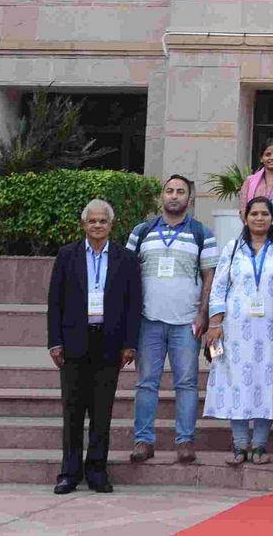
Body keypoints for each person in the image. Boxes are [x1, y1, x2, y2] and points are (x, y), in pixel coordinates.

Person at [45, 199, 141, 494]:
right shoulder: (66, 256)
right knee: (72, 411)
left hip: (109, 343)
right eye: (92, 221)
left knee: (102, 412)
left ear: (111, 225)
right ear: (83, 224)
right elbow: (55, 302)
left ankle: (97, 470)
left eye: (103, 221)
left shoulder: (126, 258)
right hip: (74, 341)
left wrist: (130, 344)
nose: (97, 226)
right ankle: (69, 473)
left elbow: (134, 303)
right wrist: (55, 342)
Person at [126, 175, 218, 465]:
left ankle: (185, 441)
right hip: (147, 321)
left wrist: (203, 314)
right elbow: (126, 277)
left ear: (189, 199)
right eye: (169, 191)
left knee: (187, 384)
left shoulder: (203, 233)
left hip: (186, 323)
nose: (174, 196)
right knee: (146, 384)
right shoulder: (141, 232)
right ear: (162, 196)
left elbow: (209, 278)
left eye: (180, 192)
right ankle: (144, 440)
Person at [205, 195, 273, 466]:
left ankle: (259, 445)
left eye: (264, 214)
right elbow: (219, 287)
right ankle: (239, 446)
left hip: (272, 331)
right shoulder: (233, 248)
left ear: (272, 220)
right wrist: (215, 323)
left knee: (266, 383)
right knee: (237, 383)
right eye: (254, 214)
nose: (259, 218)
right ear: (245, 218)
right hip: (235, 331)